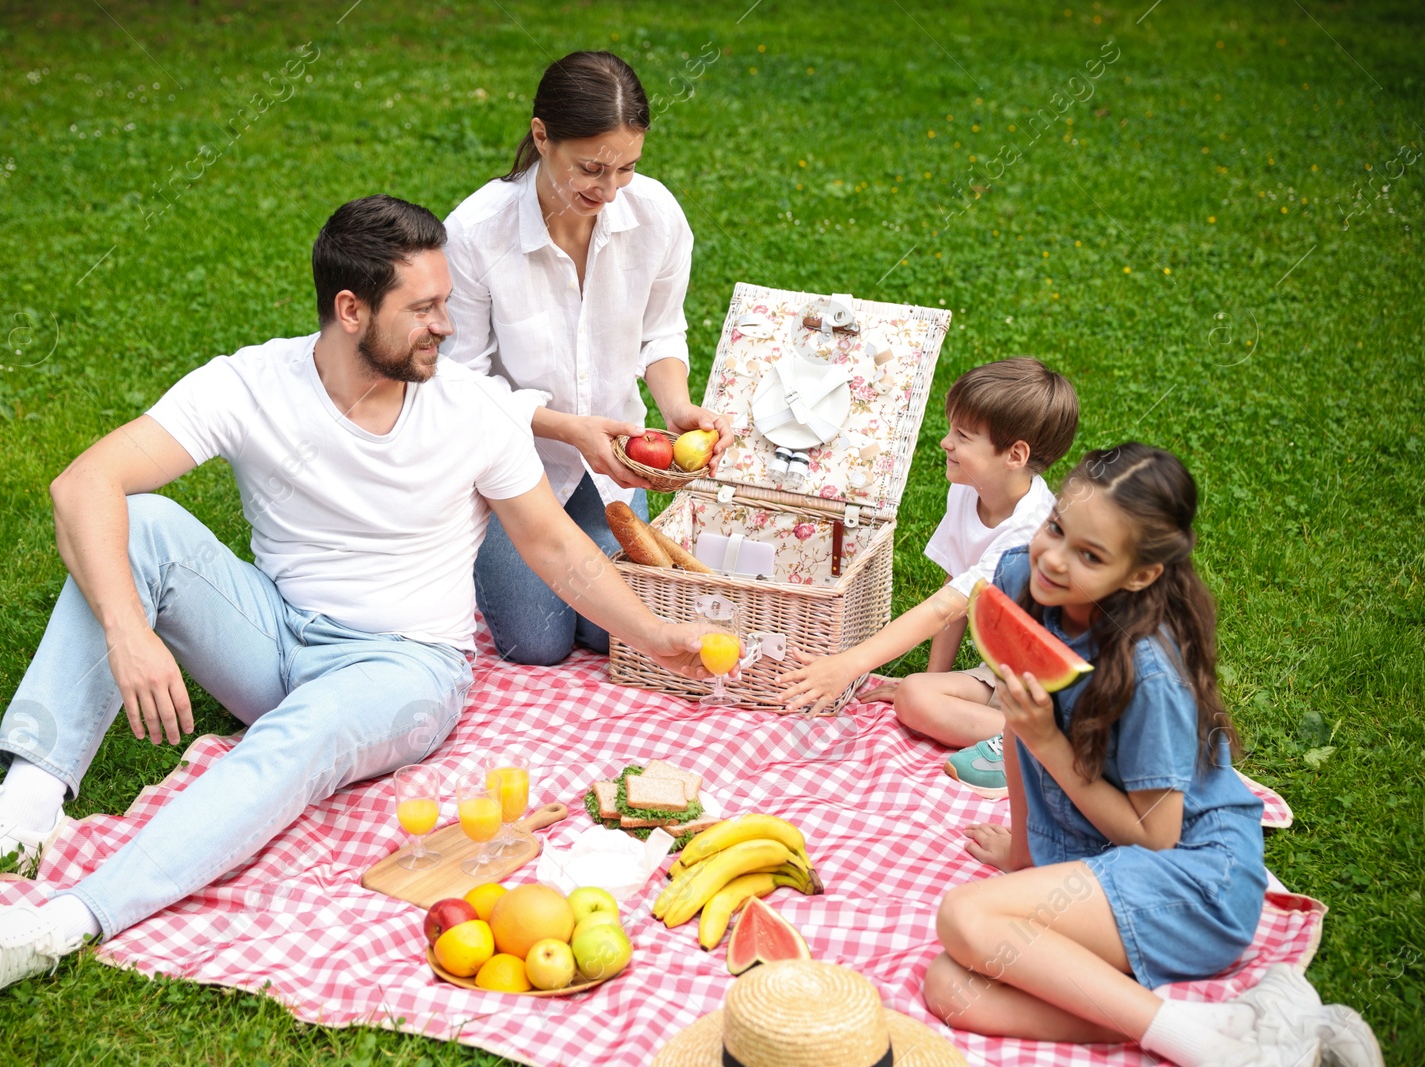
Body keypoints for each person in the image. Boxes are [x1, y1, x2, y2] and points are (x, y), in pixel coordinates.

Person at [0, 194, 710, 1015]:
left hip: (405, 665)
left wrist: (654, 632)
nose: (444, 326)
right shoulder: (252, 381)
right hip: (275, 635)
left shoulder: (471, 407)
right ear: (351, 308)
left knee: (295, 740)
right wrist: (128, 629)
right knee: (142, 523)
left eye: (446, 302)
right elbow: (84, 484)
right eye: (422, 308)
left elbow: (556, 547)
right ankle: (26, 803)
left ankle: (59, 921)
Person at [921, 444, 1381, 1067]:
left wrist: (1046, 741)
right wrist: (1027, 860)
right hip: (1105, 858)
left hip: (1195, 881)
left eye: (1090, 556)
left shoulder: (1148, 672)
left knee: (964, 917)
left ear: (1139, 574)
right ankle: (1210, 1024)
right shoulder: (1018, 586)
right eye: (1056, 527)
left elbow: (1157, 836)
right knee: (950, 990)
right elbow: (1023, 749)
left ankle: (1216, 1053)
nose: (1053, 559)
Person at [442, 50, 731, 666]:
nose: (609, 189)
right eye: (591, 168)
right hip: (509, 465)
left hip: (614, 466)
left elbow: (662, 332)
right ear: (541, 137)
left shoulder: (655, 215)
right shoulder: (474, 234)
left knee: (612, 636)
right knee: (535, 644)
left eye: (626, 168)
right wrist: (569, 429)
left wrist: (676, 405)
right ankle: (470, 549)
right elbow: (458, 381)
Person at [776, 358, 1077, 758]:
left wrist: (846, 665)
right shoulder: (969, 489)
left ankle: (1056, 747)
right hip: (1013, 675)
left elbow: (941, 610)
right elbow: (954, 592)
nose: (945, 442)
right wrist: (932, 680)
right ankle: (1024, 735)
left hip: (1064, 689)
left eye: (964, 435)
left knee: (914, 699)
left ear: (1015, 455)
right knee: (918, 694)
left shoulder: (1030, 531)